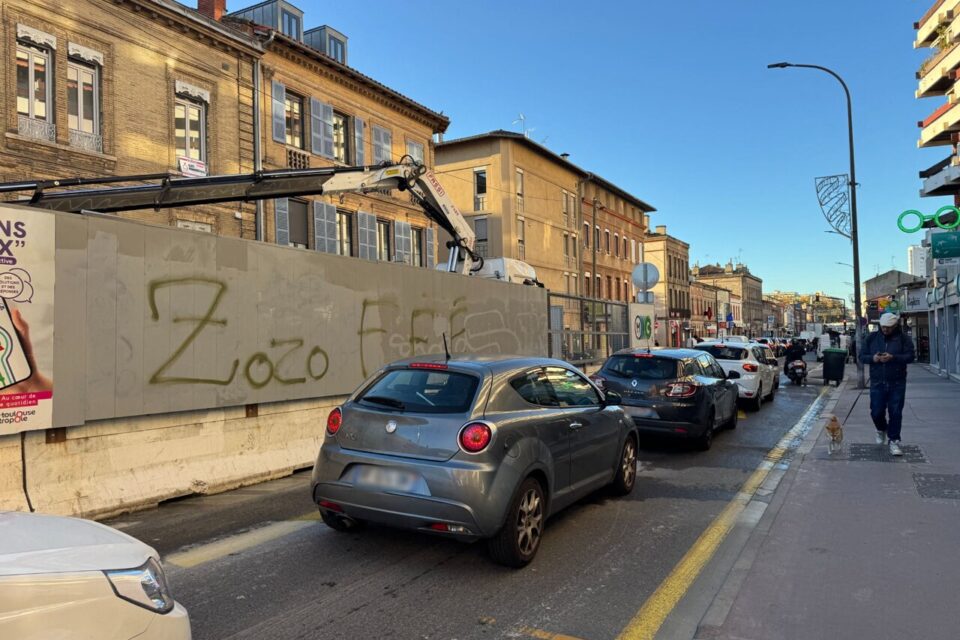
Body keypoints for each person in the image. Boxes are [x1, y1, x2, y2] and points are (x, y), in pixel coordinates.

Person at [859, 313, 915, 456]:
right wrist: (874, 358)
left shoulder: (903, 339)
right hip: (877, 381)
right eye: (883, 327)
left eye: (889, 328)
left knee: (895, 412)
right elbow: (861, 356)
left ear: (895, 326)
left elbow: (910, 357)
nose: (885, 330)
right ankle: (881, 429)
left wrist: (893, 357)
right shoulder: (872, 338)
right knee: (876, 412)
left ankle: (894, 441)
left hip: (897, 381)